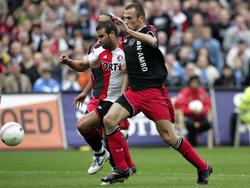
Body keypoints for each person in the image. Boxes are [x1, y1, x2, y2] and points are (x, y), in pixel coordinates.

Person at [101, 3, 213, 185]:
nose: (126, 21)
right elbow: (128, 71)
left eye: (129, 18)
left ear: (141, 19)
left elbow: (152, 42)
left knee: (169, 137)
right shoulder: (126, 40)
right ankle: (122, 169)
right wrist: (121, 97)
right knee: (109, 120)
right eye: (124, 17)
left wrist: (128, 30)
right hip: (134, 93)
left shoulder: (149, 30)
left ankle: (203, 166)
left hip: (154, 93)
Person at [58, 20, 135, 176]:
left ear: (112, 34)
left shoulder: (127, 51)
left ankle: (106, 157)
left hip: (118, 101)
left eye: (101, 36)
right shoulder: (99, 51)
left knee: (83, 125)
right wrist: (68, 62)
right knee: (102, 135)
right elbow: (82, 66)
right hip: (104, 99)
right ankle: (117, 165)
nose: (98, 40)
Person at [175, 76, 212, 146]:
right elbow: (179, 105)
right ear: (190, 83)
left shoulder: (202, 92)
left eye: (197, 83)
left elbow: (208, 104)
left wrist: (202, 110)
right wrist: (191, 111)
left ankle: (193, 137)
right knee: (190, 124)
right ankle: (192, 141)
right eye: (193, 82)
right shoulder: (184, 92)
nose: (195, 84)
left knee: (208, 125)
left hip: (200, 116)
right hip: (188, 116)